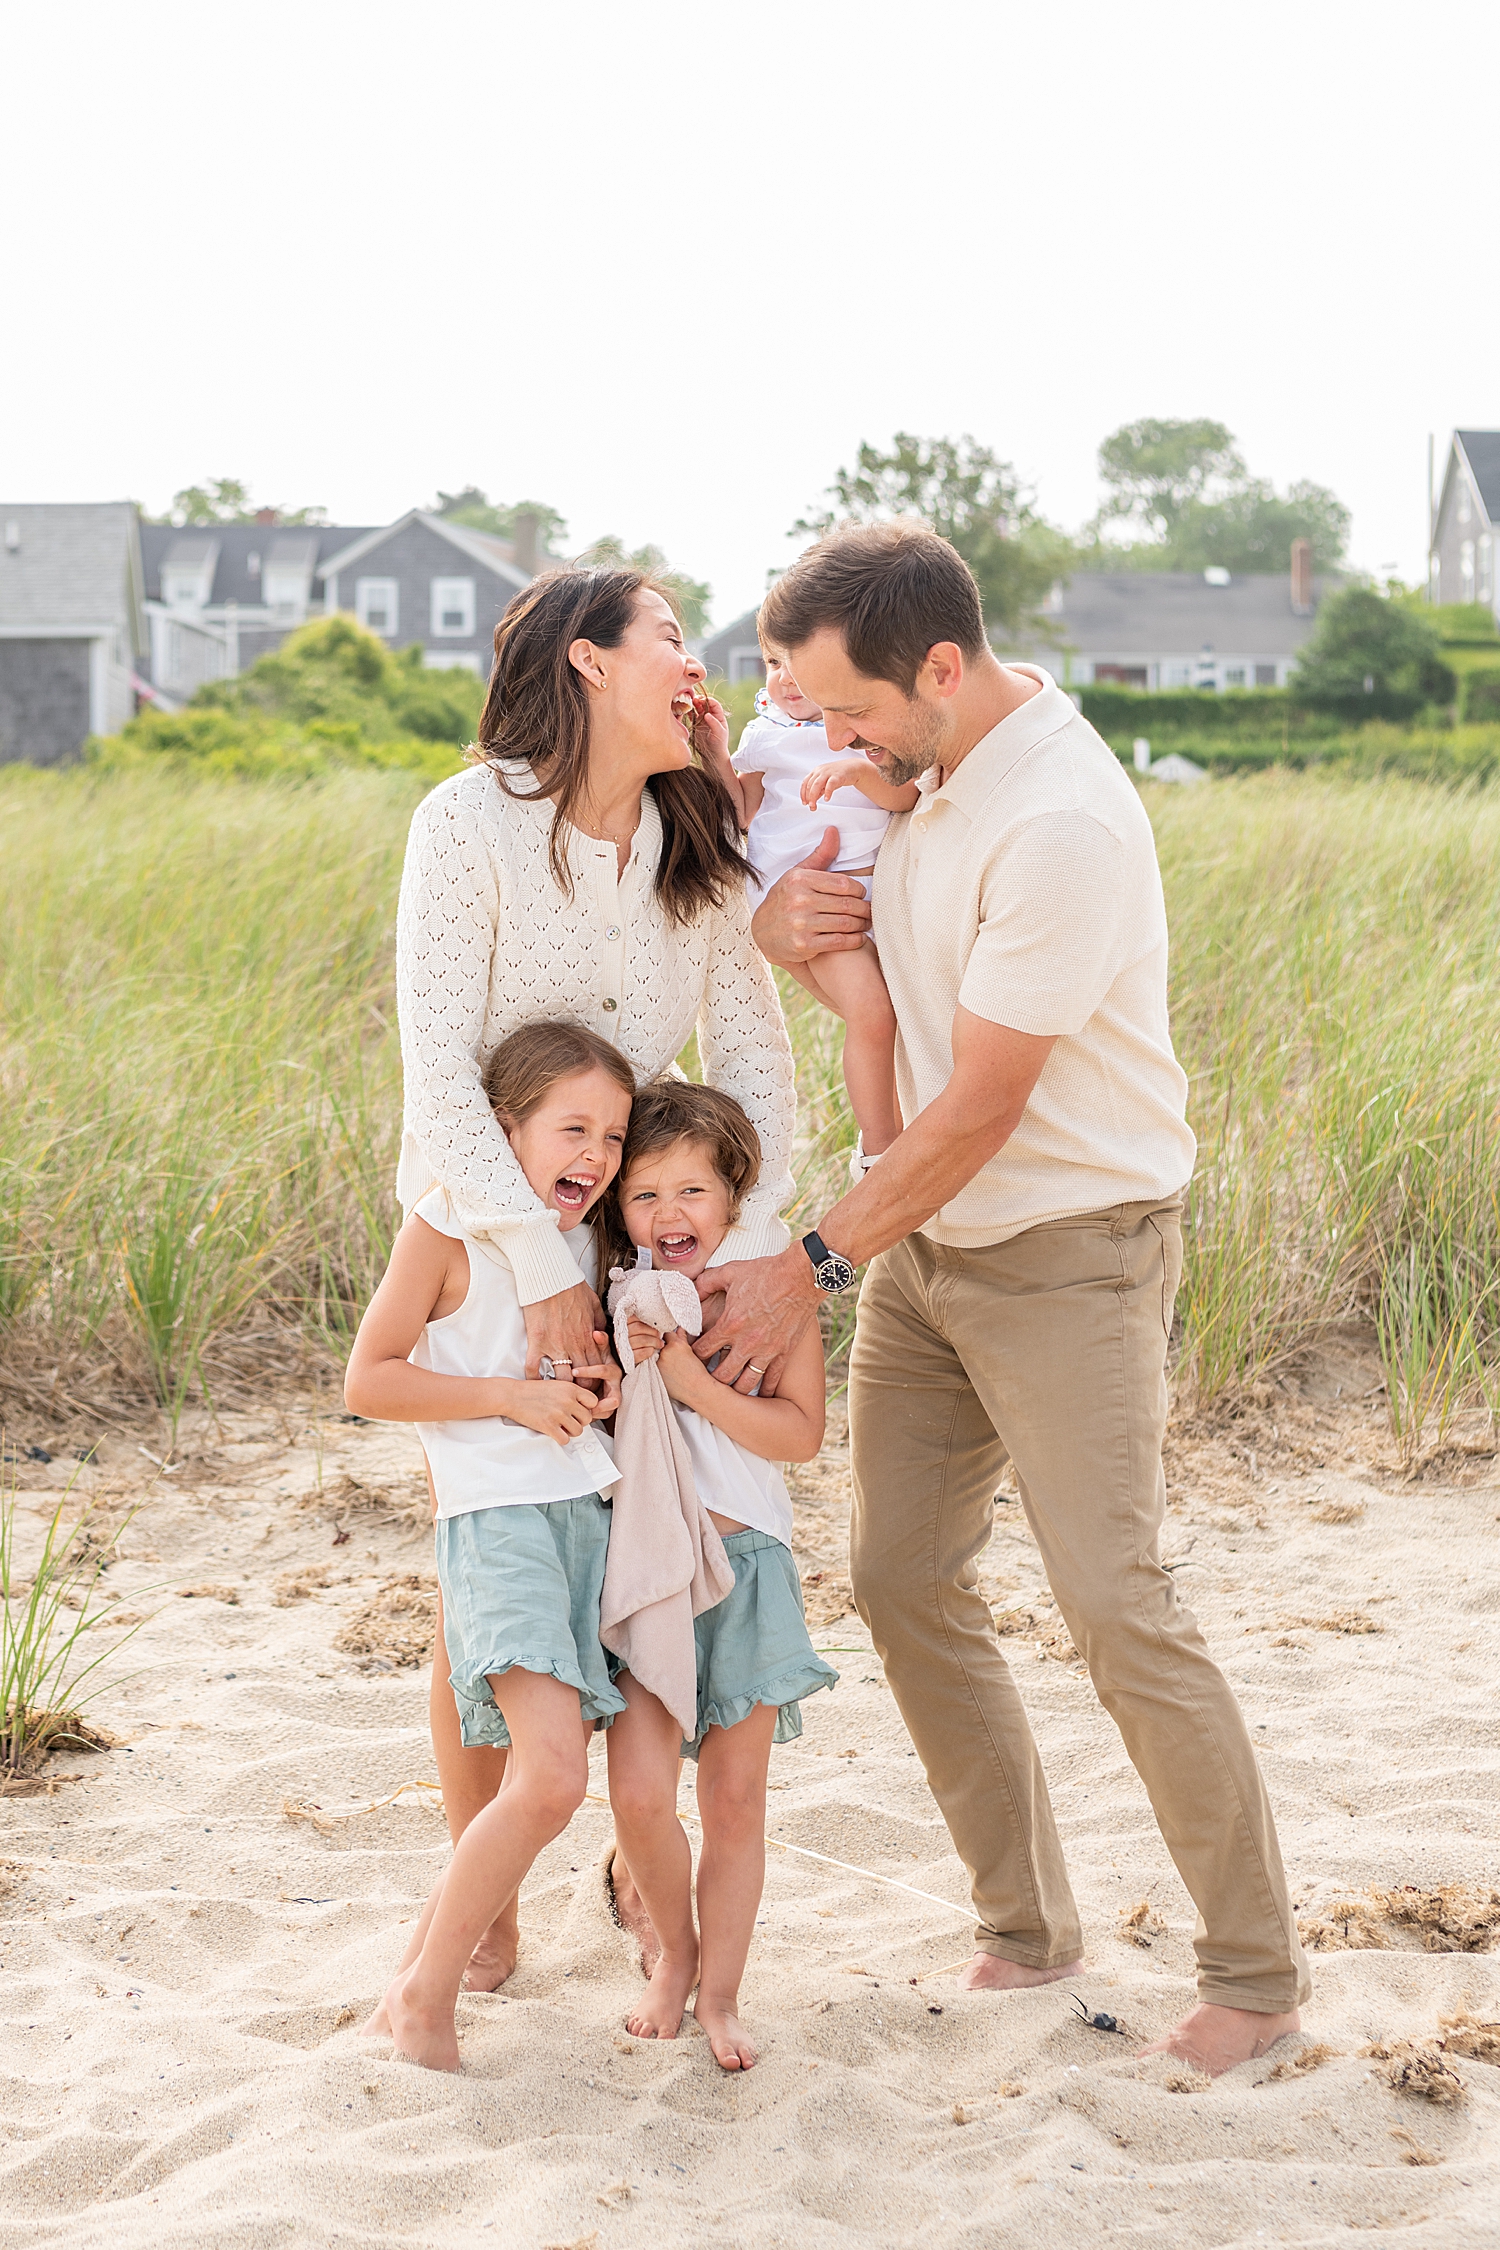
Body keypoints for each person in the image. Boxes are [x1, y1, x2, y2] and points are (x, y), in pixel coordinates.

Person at [694, 521, 1310, 2079]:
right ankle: (1028, 1930)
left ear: (942, 667)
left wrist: (810, 1265)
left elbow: (978, 1107)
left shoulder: (1061, 823)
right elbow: (838, 928)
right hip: (930, 1245)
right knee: (900, 1575)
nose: (833, 736)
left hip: (1071, 1250)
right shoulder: (928, 763)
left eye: (853, 708)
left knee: (1116, 1602)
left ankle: (1256, 1977)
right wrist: (778, 923)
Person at [394, 567, 798, 1985]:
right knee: (498, 1541)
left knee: (636, 1529)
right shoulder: (468, 823)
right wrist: (533, 1261)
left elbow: (755, 1056)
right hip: (477, 1239)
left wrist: (746, 1248)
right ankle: (487, 1892)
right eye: (671, 639)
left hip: (644, 1232)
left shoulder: (695, 836)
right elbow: (439, 1072)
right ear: (586, 660)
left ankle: (637, 1844)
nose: (698, 665)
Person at [345, 1020, 636, 2072]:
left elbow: (588, 1388)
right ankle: (425, 1998)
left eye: (614, 1135)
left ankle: (421, 1971)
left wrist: (601, 1391)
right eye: (572, 1129)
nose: (596, 1154)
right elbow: (370, 1378)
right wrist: (510, 1400)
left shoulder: (594, 1242)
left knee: (551, 1772)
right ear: (503, 1131)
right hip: (496, 1524)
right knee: (551, 1779)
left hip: (586, 1522)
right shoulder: (446, 1225)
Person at [598, 1078, 835, 2071]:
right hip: (650, 1567)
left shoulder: (765, 1300)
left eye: (692, 1190)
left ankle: (721, 1995)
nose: (670, 1213)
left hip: (747, 1567)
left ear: (733, 1198)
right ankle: (674, 1952)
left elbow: (801, 1435)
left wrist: (691, 1381)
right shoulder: (616, 1300)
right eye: (645, 1194)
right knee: (639, 1794)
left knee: (735, 1803)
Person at [703, 643, 917, 1158]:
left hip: (872, 894)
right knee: (872, 1011)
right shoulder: (768, 733)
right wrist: (714, 755)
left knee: (897, 1019)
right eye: (774, 664)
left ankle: (901, 1130)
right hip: (809, 902)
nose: (786, 677)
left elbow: (905, 795)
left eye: (799, 664)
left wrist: (856, 774)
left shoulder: (864, 727)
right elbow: (742, 811)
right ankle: (880, 1145)